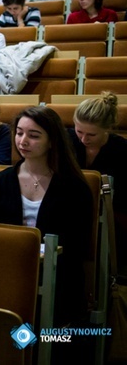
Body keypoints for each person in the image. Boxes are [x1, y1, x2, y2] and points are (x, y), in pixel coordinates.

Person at [0, 106, 92, 327]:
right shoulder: (1, 181)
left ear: (52, 141)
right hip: (11, 272)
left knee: (50, 340)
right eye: (19, 133)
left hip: (59, 275)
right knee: (12, 335)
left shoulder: (73, 186)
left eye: (33, 136)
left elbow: (79, 247)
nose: (23, 141)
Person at [68, 93, 127, 271]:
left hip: (111, 214)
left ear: (107, 129)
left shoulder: (122, 150)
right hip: (71, 209)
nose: (83, 139)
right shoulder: (67, 140)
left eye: (91, 134)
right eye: (79, 131)